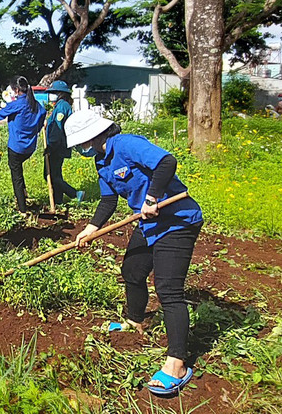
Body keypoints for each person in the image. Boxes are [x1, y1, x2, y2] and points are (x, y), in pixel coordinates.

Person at [66, 109, 203, 397]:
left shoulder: (126, 144)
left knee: (168, 290)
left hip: (176, 220)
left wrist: (151, 197)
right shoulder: (102, 162)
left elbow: (167, 161)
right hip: (149, 223)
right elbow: (108, 199)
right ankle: (135, 320)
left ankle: (177, 364)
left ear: (93, 135)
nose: (81, 148)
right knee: (132, 271)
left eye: (81, 142)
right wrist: (90, 228)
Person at [0, 76, 46, 213]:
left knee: (16, 176)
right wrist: (35, 131)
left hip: (16, 147)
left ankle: (22, 209)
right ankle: (24, 196)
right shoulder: (37, 105)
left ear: (16, 90)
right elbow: (42, 116)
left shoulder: (16, 105)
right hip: (30, 147)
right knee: (19, 171)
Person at [44, 80, 83, 206]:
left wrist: (51, 146)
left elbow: (57, 128)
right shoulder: (61, 105)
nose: (51, 95)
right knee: (56, 174)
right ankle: (58, 201)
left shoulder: (62, 106)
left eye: (54, 92)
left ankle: (75, 193)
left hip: (57, 146)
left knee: (50, 174)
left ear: (60, 93)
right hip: (59, 145)